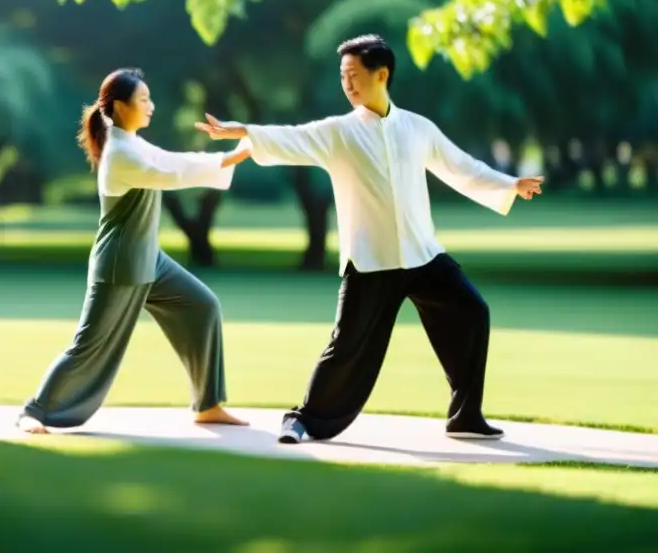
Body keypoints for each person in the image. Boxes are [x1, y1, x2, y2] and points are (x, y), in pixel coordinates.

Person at [195, 35, 544, 444]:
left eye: (354, 75)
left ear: (382, 74)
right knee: (347, 346)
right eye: (343, 76)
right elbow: (291, 136)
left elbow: (460, 167)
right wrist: (244, 131)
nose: (348, 84)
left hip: (423, 255)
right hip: (370, 261)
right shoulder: (339, 132)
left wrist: (510, 184)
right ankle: (302, 419)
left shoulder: (417, 128)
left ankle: (465, 416)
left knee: (471, 312)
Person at [17, 68, 252, 433]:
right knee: (89, 345)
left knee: (202, 306)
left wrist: (227, 157)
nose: (151, 106)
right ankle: (34, 412)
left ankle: (208, 404)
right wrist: (232, 158)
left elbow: (173, 159)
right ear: (121, 107)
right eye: (143, 100)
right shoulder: (121, 153)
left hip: (150, 260)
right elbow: (172, 174)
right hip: (121, 263)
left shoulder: (132, 141)